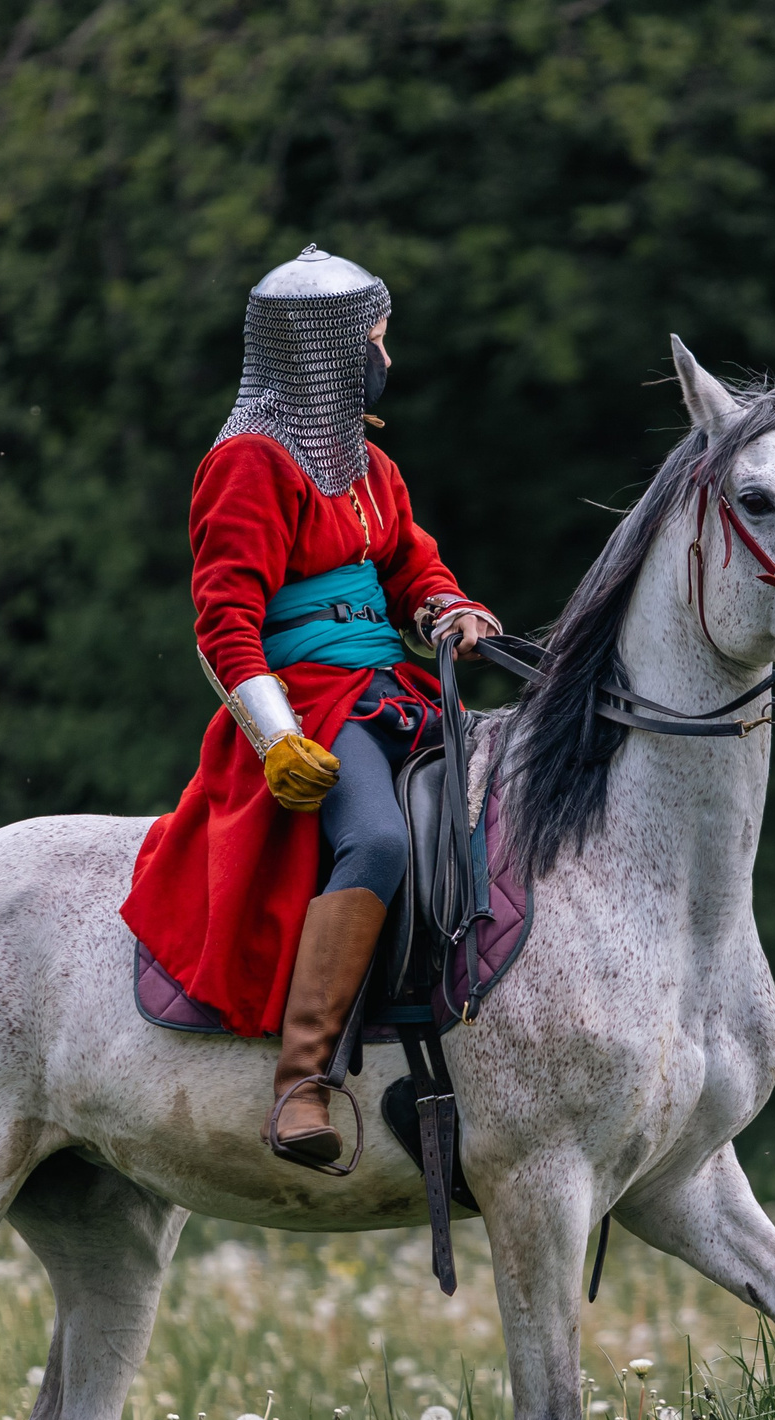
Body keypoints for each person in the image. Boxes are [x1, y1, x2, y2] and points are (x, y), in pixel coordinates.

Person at [120, 245, 501, 1165]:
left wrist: (445, 606)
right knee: (375, 839)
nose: (386, 354)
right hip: (309, 709)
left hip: (392, 691)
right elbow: (224, 624)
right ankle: (303, 1081)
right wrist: (278, 738)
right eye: (376, 336)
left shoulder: (369, 465)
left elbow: (411, 561)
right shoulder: (248, 464)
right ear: (328, 348)